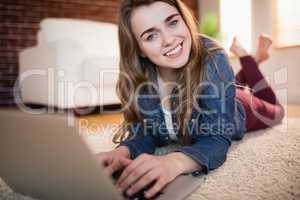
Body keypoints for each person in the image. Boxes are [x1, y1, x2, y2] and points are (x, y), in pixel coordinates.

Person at [95, 0, 285, 198]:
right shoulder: (141, 76)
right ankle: (251, 65)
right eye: (151, 35)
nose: (168, 39)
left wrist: (173, 162)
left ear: (184, 20)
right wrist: (121, 153)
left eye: (172, 22)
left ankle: (248, 58)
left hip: (240, 107)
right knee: (230, 83)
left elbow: (216, 137)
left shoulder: (213, 56)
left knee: (277, 112)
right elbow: (145, 133)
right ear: (139, 49)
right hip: (219, 89)